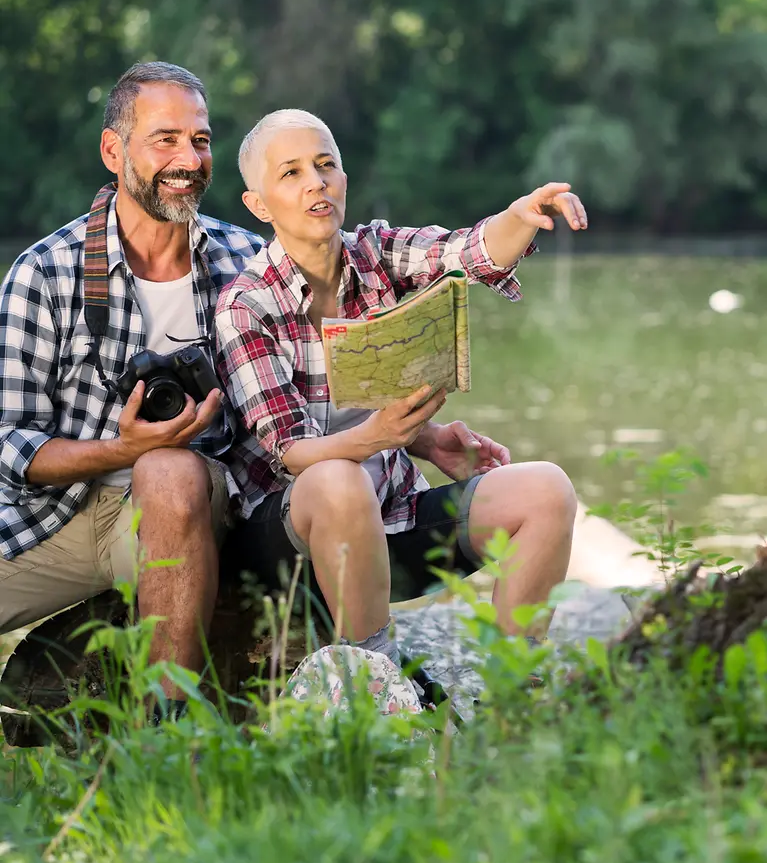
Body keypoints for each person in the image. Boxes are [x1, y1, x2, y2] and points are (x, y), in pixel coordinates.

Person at [216, 109, 585, 666]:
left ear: (344, 178)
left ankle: (513, 690)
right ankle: (374, 680)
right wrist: (383, 433)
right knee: (337, 479)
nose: (316, 181)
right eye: (291, 173)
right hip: (291, 546)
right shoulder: (246, 306)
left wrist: (520, 216)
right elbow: (291, 452)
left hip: (390, 523)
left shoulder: (376, 253)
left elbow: (468, 251)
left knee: (546, 490)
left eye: (326, 165)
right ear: (259, 206)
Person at [0, 62, 263, 708]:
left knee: (170, 471)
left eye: (200, 141)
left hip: (182, 513)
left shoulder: (248, 264)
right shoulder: (45, 274)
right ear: (113, 150)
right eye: (165, 139)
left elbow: (309, 390)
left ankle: (168, 733)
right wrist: (121, 449)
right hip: (52, 517)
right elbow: (9, 446)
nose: (189, 159)